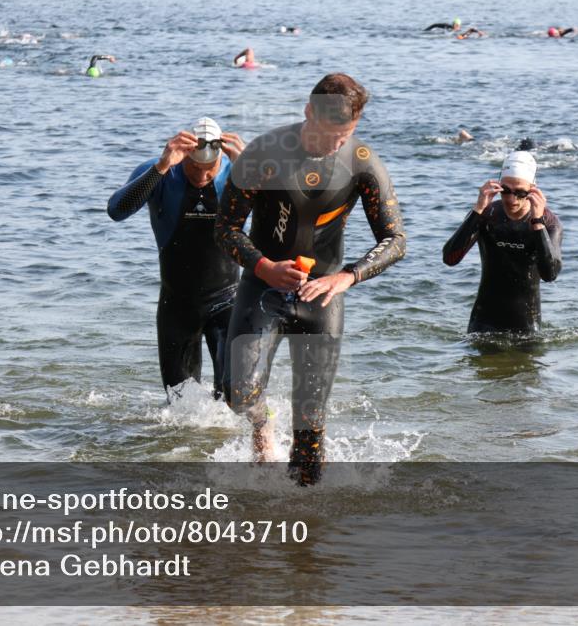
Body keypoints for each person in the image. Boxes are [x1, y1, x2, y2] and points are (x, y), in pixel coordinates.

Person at [215, 73, 406, 485]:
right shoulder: (265, 152)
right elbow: (225, 228)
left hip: (322, 296)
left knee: (310, 425)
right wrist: (264, 267)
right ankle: (262, 422)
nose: (337, 144)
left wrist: (346, 278)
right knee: (239, 395)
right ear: (309, 113)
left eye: (346, 134)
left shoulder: (361, 161)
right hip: (264, 286)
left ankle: (308, 518)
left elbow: (395, 240)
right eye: (330, 134)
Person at [107, 119, 247, 402]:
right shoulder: (160, 171)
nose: (202, 176)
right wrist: (161, 167)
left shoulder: (238, 173)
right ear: (183, 157)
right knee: (181, 406)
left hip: (228, 300)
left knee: (237, 397)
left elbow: (283, 214)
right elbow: (117, 211)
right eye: (194, 167)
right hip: (177, 306)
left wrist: (253, 170)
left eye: (210, 169)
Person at [442, 150, 562, 334]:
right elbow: (450, 258)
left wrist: (537, 223)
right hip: (482, 323)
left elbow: (550, 274)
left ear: (533, 189)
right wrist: (477, 210)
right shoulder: (486, 215)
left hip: (526, 327)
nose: (511, 199)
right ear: (497, 186)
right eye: (505, 191)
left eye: (520, 192)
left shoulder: (548, 222)